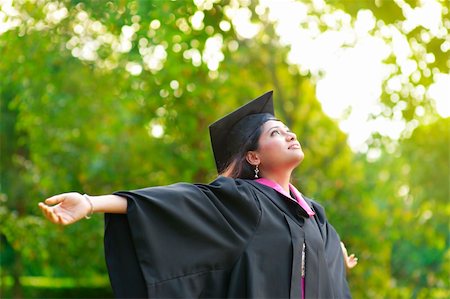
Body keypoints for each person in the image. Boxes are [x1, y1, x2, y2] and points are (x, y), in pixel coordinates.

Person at [39, 91, 357, 298]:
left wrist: (336, 254)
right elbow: (177, 204)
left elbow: (316, 254)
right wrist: (91, 203)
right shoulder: (244, 201)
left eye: (287, 129)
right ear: (253, 157)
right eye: (275, 132)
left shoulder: (314, 214)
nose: (290, 134)